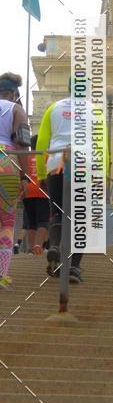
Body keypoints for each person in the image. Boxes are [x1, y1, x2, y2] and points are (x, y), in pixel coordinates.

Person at [37, 77, 108, 284]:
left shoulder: (54, 108)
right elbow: (101, 145)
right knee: (81, 218)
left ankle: (55, 247)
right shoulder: (95, 111)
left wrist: (41, 172)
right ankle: (74, 268)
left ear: (69, 88)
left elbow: (42, 142)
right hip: (85, 165)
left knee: (57, 212)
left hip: (57, 163)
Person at [0, 73, 29, 289]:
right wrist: (24, 176)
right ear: (13, 94)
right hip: (7, 162)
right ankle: (1, 274)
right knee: (7, 223)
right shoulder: (16, 110)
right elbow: (22, 145)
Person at [22, 134, 49, 255]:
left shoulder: (25, 157)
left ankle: (30, 249)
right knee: (43, 221)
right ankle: (38, 247)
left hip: (27, 192)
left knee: (31, 223)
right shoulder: (46, 156)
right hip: (42, 192)